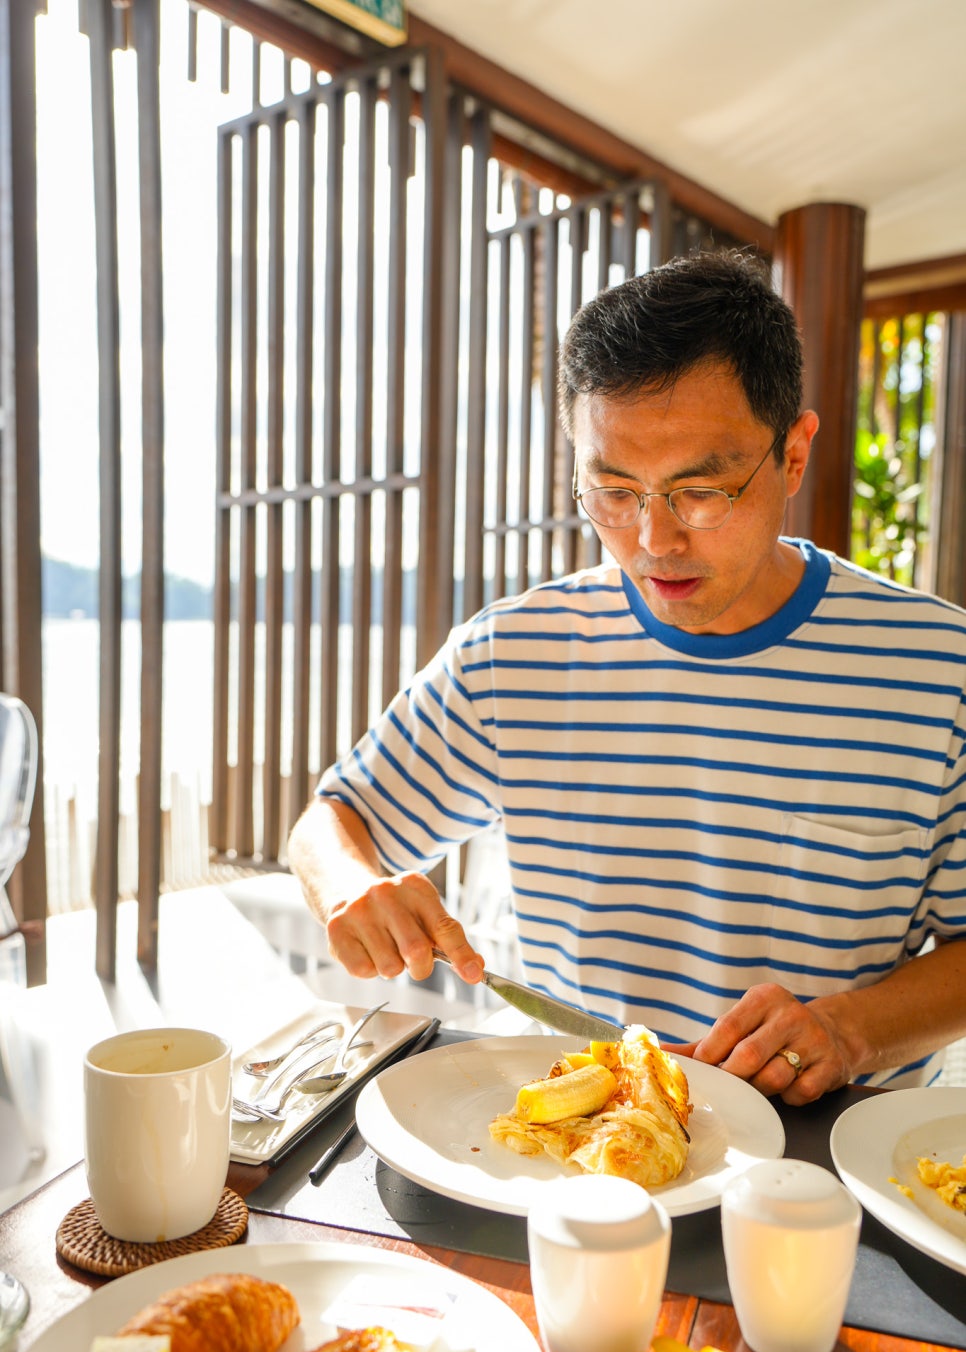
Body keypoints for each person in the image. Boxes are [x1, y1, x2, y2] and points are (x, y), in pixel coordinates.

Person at [288, 248, 966, 1104]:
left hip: (830, 1151)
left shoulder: (938, 668)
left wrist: (849, 1028)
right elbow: (332, 820)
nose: (654, 540)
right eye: (612, 488)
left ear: (793, 456)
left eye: (701, 491)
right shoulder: (515, 654)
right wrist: (352, 886)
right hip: (574, 1128)